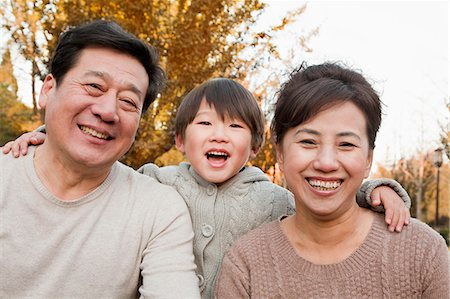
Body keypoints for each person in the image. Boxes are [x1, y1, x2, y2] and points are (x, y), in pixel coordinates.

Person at [2, 78, 412, 299]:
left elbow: (322, 196)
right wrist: (43, 136)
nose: (219, 136)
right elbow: (99, 164)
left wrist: (374, 191)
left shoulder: (273, 199)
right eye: (205, 123)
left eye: (235, 127)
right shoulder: (155, 181)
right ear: (181, 140)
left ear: (253, 147)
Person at [0, 20, 200, 298]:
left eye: (129, 102)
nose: (108, 111)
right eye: (94, 86)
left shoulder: (158, 210)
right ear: (48, 90)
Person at [215, 63, 449, 298]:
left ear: (368, 159)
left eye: (346, 144)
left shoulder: (422, 252)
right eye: (308, 142)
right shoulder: (246, 265)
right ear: (281, 154)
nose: (326, 163)